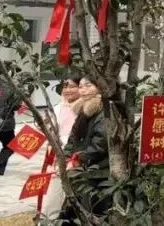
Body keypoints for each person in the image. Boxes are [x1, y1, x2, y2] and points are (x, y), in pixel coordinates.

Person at [58, 78, 110, 224]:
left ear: (100, 87)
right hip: (82, 168)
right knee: (79, 206)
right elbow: (73, 138)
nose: (84, 90)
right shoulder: (83, 109)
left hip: (99, 170)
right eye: (81, 87)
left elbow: (101, 143)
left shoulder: (104, 110)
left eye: (88, 85)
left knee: (94, 209)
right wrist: (66, 157)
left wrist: (79, 158)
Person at [45, 77, 80, 214]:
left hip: (76, 158)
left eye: (72, 86)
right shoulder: (57, 108)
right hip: (58, 157)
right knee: (53, 195)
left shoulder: (86, 109)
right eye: (65, 87)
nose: (67, 90)